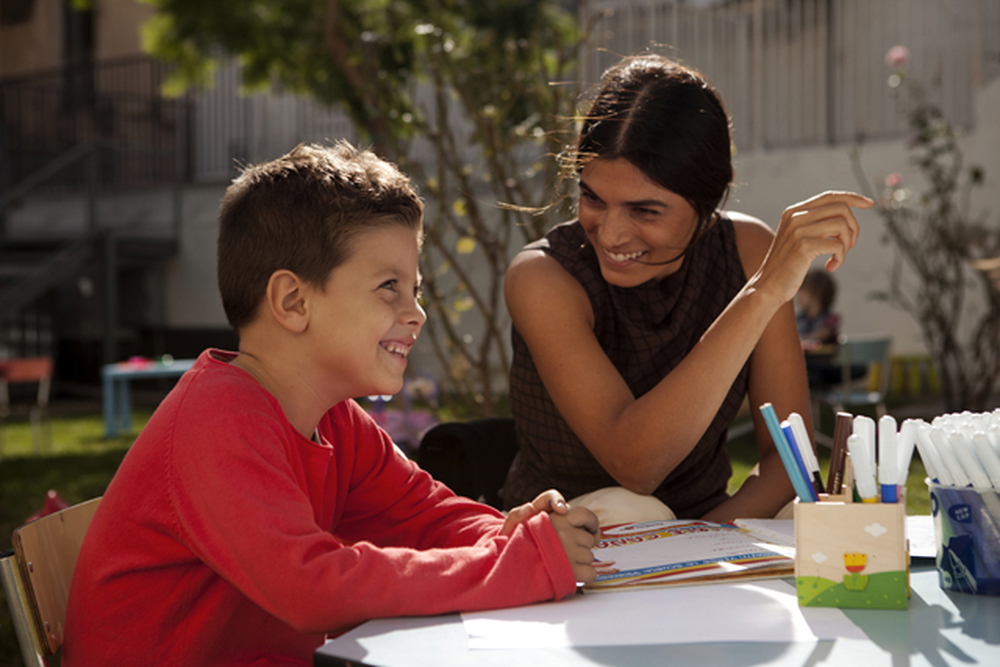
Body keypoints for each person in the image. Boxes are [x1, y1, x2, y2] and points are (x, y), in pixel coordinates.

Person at [62, 142, 598, 667]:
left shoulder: (335, 420)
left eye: (416, 289)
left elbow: (424, 515)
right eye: (389, 286)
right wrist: (513, 567)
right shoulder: (217, 419)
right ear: (293, 302)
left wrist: (510, 535)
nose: (416, 314)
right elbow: (311, 585)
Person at [502, 55, 873, 525]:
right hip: (577, 541)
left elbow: (791, 460)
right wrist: (759, 295)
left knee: (806, 516)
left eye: (645, 211)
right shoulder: (544, 277)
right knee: (632, 507)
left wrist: (700, 545)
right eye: (593, 197)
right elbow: (636, 465)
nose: (612, 235)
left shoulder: (746, 252)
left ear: (707, 204)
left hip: (708, 530)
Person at [796, 269, 847, 386]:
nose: (798, 295)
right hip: (804, 364)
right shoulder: (799, 319)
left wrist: (803, 340)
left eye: (802, 290)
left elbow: (824, 333)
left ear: (816, 294)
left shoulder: (830, 319)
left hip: (824, 366)